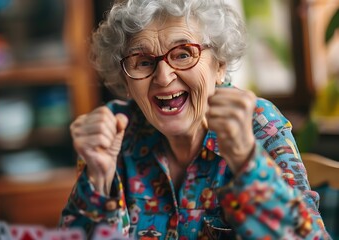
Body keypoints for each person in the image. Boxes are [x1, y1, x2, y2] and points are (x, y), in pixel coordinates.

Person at [59, 0, 331, 239]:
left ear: (220, 65)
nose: (163, 77)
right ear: (126, 82)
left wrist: (247, 162)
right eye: (142, 61)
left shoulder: (255, 123)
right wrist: (98, 181)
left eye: (183, 54)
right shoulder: (113, 134)